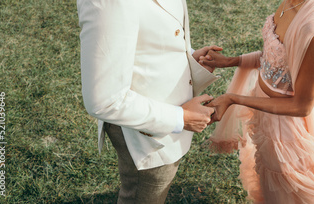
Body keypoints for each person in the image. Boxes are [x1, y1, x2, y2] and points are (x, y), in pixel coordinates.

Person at [201, 0, 314, 203]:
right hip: (266, 115)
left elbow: (302, 106)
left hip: (287, 132)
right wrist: (232, 60)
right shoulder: (290, 3)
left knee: (289, 193)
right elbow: (276, 60)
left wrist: (232, 99)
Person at [77, 0, 221, 203]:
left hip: (164, 126)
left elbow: (153, 39)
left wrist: (187, 60)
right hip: (147, 135)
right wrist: (180, 117)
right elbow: (104, 100)